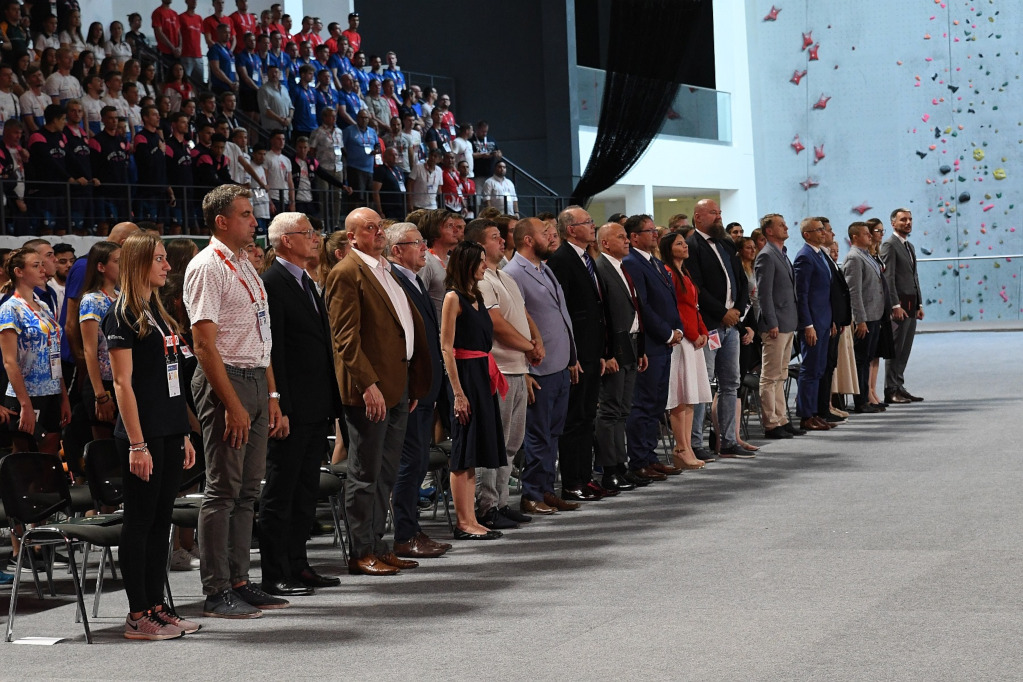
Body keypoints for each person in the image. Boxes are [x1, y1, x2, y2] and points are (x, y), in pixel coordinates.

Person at [183, 184, 287, 618]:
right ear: (222, 221)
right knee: (223, 489)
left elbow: (261, 335)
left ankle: (240, 581)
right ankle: (216, 589)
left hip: (255, 379)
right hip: (227, 381)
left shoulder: (244, 262)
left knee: (247, 490)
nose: (254, 221)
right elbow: (204, 345)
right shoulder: (207, 266)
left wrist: (272, 395)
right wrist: (231, 403)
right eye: (245, 214)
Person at [324, 207, 431, 575]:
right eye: (370, 228)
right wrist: (367, 385)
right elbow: (345, 339)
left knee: (386, 472)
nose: (379, 232)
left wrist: (411, 381)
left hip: (398, 384)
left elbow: (401, 329)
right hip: (370, 390)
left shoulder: (385, 269)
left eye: (381, 226)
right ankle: (361, 551)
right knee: (365, 472)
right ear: (352, 237)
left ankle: (378, 544)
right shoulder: (346, 272)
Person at [106, 232, 199, 640]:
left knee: (162, 522)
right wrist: (137, 443)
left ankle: (157, 606)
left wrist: (184, 433)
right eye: (159, 259)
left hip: (168, 429)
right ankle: (137, 614)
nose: (167, 266)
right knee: (140, 522)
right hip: (141, 435)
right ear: (139, 263)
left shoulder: (156, 311)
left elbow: (171, 380)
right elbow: (122, 384)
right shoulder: (122, 314)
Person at [258, 212, 343, 596]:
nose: (315, 238)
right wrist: (280, 405)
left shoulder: (307, 280)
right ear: (286, 241)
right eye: (308, 232)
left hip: (315, 404)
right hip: (291, 408)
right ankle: (275, 572)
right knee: (281, 492)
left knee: (305, 491)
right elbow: (274, 352)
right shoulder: (272, 283)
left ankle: (298, 563)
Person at [385, 222, 452, 557]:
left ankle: (413, 529)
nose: (424, 247)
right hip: (411, 388)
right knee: (410, 463)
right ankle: (404, 534)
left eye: (424, 242)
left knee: (419, 460)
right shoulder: (394, 280)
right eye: (417, 243)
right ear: (397, 250)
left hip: (426, 386)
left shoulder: (413, 279)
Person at [504, 218, 579, 514]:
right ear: (528, 240)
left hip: (559, 365)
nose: (551, 236)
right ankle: (532, 494)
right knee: (538, 436)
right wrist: (524, 371)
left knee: (554, 434)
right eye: (544, 233)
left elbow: (559, 315)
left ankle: (547, 490)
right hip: (537, 369)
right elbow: (515, 323)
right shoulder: (513, 273)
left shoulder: (543, 268)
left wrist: (571, 358)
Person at [546, 205, 618, 499]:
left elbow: (598, 308)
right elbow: (563, 314)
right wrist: (572, 356)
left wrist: (602, 351)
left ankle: (586, 477)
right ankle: (572, 481)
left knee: (587, 416)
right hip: (575, 354)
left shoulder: (587, 258)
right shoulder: (561, 260)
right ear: (571, 229)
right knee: (574, 419)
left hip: (591, 350)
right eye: (587, 222)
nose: (593, 225)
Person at [440, 240, 506, 539]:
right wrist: (458, 392)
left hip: (482, 374)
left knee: (474, 452)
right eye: (479, 260)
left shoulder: (476, 295)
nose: (484, 265)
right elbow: (446, 347)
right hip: (465, 377)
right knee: (463, 451)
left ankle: (471, 518)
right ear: (466, 263)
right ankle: (463, 522)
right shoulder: (453, 297)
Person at [684, 199, 749, 459]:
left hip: (732, 325)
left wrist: (738, 310)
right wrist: (723, 313)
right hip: (709, 325)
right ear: (698, 217)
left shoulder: (726, 243)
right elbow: (697, 288)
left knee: (730, 383)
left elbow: (741, 280)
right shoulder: (691, 246)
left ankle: (728, 440)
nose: (719, 217)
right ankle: (696, 443)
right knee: (704, 384)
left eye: (720, 212)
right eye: (713, 213)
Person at [621, 214, 683, 482]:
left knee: (657, 403)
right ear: (634, 237)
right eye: (649, 231)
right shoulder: (632, 262)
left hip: (664, 342)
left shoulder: (654, 261)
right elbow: (642, 306)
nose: (655, 234)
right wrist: (667, 332)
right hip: (650, 343)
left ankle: (649, 456)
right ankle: (639, 460)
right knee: (644, 403)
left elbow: (669, 300)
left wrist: (678, 328)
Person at [592, 222, 646, 492]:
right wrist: (608, 352)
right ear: (605, 243)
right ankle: (609, 469)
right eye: (621, 237)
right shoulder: (601, 269)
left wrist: (641, 349)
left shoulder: (622, 268)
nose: (627, 241)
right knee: (610, 410)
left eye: (627, 237)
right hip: (616, 348)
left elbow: (634, 308)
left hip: (631, 345)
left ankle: (621, 466)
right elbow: (602, 317)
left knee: (623, 409)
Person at [0, 247, 70, 453]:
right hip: (27, 393)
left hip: (52, 392)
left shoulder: (43, 306)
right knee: (26, 457)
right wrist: (25, 404)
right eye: (36, 265)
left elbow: (54, 354)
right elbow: (9, 361)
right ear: (19, 272)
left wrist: (63, 396)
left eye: (42, 265)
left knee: (50, 455)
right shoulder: (10, 308)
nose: (43, 270)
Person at [659, 231, 712, 469]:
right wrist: (692, 333)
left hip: (694, 339)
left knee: (691, 397)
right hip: (682, 340)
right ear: (669, 249)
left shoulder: (685, 272)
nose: (685, 246)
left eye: (684, 243)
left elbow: (694, 306)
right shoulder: (668, 273)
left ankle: (688, 446)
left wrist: (703, 331)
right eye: (679, 244)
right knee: (680, 396)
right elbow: (676, 310)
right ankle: (680, 447)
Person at [753, 214, 804, 439]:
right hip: (775, 324)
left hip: (787, 321)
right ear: (769, 231)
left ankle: (782, 418)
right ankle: (771, 423)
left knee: (781, 374)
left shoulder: (781, 253)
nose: (786, 227)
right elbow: (764, 294)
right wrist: (771, 321)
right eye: (781, 225)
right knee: (770, 376)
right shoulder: (766, 255)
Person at [793, 217, 834, 432]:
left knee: (819, 369)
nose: (823, 232)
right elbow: (802, 294)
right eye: (818, 230)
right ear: (806, 234)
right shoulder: (804, 257)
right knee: (810, 369)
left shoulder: (819, 254)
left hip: (824, 320)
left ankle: (816, 412)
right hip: (813, 323)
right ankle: (806, 415)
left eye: (823, 229)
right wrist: (807, 324)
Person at [880, 208, 924, 404]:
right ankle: (890, 389)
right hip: (899, 304)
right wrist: (895, 305)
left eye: (910, 219)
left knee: (905, 348)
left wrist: (919, 304)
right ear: (893, 223)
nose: (908, 223)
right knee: (896, 348)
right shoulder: (889, 245)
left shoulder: (909, 246)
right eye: (903, 219)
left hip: (911, 303)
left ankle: (899, 385)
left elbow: (914, 277)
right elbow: (888, 278)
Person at [842, 222, 886, 414]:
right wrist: (859, 319)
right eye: (865, 233)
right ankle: (860, 401)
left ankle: (867, 397)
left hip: (874, 314)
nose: (870, 236)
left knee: (867, 358)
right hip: (865, 317)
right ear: (855, 237)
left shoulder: (866, 255)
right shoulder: (854, 257)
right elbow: (854, 292)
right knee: (861, 359)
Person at [78, 241, 120, 440]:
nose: (123, 266)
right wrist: (100, 394)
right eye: (118, 262)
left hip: (123, 377)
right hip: (103, 381)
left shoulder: (121, 296)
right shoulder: (91, 300)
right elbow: (89, 350)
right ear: (101, 267)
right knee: (105, 445)